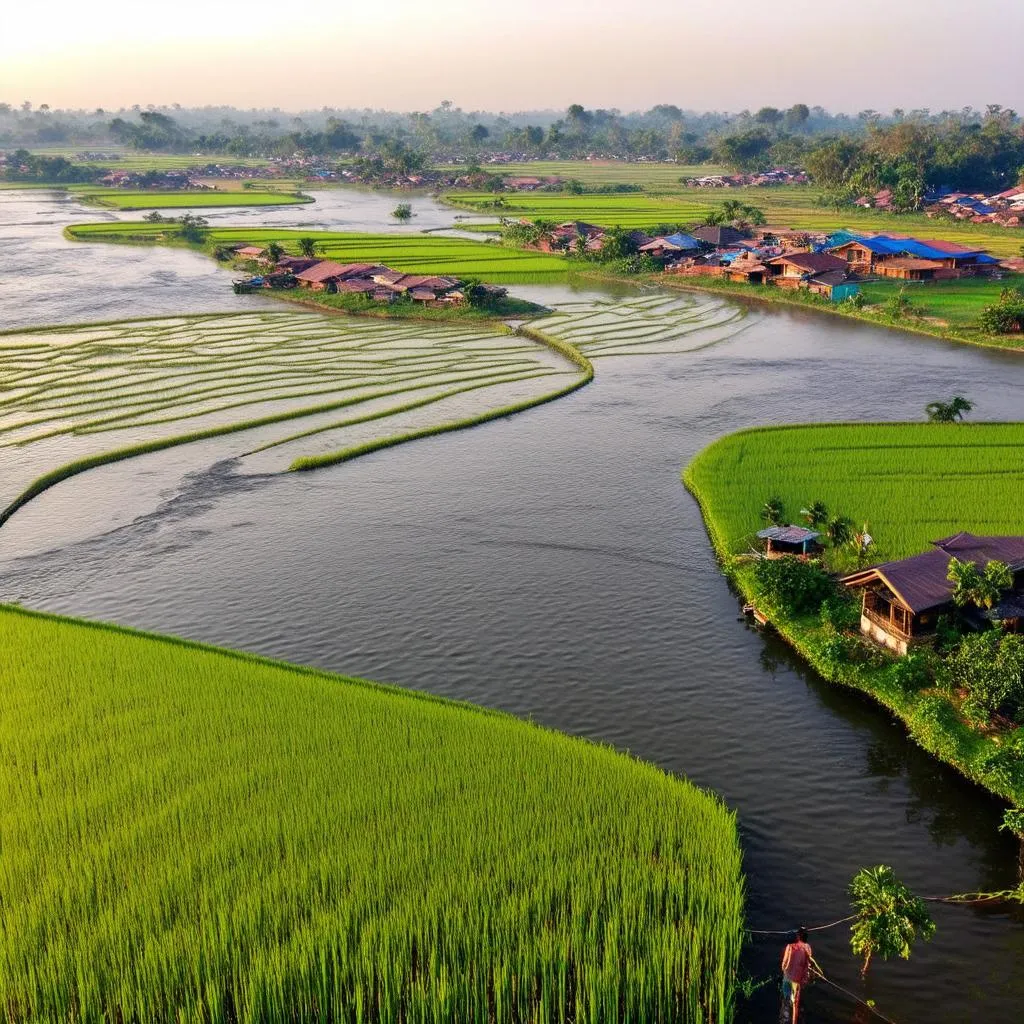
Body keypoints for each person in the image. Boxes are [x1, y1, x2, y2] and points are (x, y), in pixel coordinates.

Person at [781, 927, 813, 1023]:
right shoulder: (807, 948)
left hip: (787, 977)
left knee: (786, 1001)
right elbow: (807, 965)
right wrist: (805, 978)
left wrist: (784, 970)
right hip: (797, 980)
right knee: (795, 1005)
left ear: (798, 936)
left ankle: (784, 1019)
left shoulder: (790, 946)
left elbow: (783, 964)